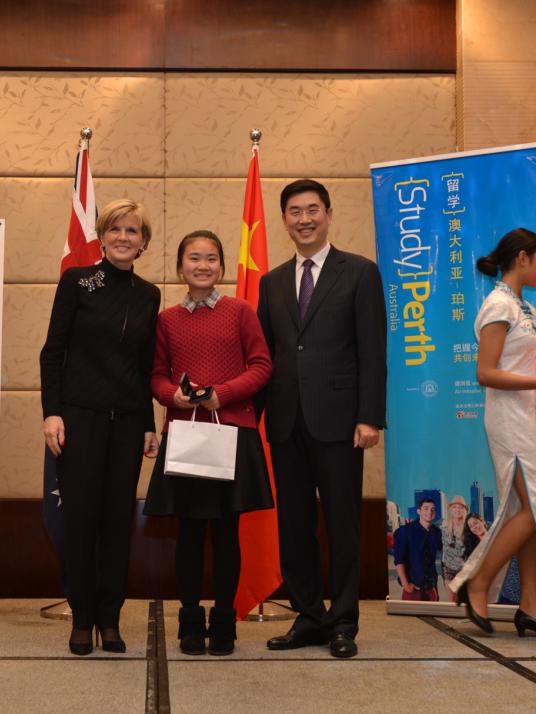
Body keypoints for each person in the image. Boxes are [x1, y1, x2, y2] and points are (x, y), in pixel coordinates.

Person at [256, 179, 387, 658]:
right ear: (284, 219)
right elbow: (264, 358)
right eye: (294, 211)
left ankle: (344, 623)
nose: (304, 219)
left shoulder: (360, 272)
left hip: (340, 423)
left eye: (313, 209)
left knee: (342, 524)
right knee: (294, 526)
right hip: (286, 422)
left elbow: (373, 351)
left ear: (329, 214)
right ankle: (308, 616)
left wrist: (369, 416)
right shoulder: (271, 283)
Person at [39, 198, 161, 656]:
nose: (124, 237)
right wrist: (51, 412)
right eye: (116, 229)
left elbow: (144, 364)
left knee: (117, 522)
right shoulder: (77, 282)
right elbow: (53, 352)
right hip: (79, 420)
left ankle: (110, 619)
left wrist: (149, 423)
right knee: (81, 520)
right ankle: (82, 617)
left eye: (133, 231)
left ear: (143, 242)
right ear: (103, 236)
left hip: (128, 424)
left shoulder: (149, 295)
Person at [144, 230, 274, 655]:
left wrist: (224, 393)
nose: (203, 265)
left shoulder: (240, 311)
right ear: (181, 267)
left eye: (211, 258)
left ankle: (223, 625)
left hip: (232, 433)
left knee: (227, 534)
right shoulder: (166, 320)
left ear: (221, 266)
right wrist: (172, 396)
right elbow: (156, 375)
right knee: (189, 534)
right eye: (194, 258)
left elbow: (262, 366)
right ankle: (189, 624)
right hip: (186, 435)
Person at [449, 228, 536, 641]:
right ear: (522, 258)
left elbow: (522, 369)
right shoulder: (498, 305)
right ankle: (477, 581)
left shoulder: (526, 308)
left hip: (531, 417)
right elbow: (486, 373)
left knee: (534, 508)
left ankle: (530, 606)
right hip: (509, 419)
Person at [393, 498, 442, 601]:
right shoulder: (405, 531)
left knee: (433, 614)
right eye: (426, 508)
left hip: (432, 586)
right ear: (418, 511)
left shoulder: (437, 532)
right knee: (411, 616)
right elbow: (398, 560)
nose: (429, 512)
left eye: (433, 509)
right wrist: (406, 584)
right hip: (413, 587)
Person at [441, 495, 469, 602]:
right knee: (452, 600)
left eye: (460, 507)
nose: (457, 510)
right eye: (454, 507)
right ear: (451, 510)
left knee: (461, 599)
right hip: (448, 569)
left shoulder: (468, 529)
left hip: (463, 569)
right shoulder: (444, 527)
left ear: (464, 510)